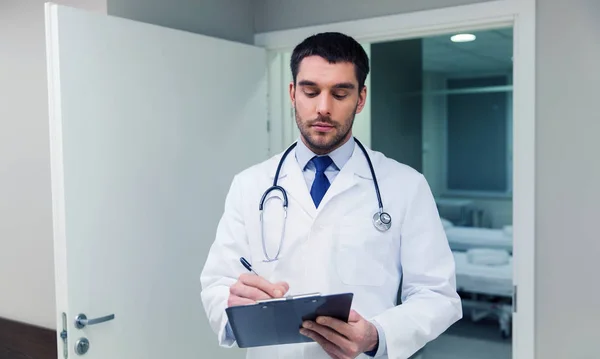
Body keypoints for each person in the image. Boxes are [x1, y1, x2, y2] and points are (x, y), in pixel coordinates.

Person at [200, 32, 462, 359]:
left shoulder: (405, 185)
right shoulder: (250, 184)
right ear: (293, 93)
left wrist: (377, 335)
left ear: (361, 98)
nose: (323, 108)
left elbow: (437, 295)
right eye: (311, 91)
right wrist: (232, 304)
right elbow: (219, 281)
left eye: (340, 93)